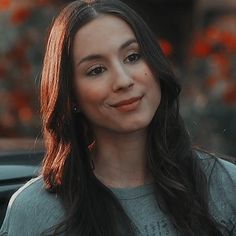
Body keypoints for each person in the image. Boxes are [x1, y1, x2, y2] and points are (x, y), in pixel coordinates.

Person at [1, 0, 235, 235]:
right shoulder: (35, 212)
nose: (123, 81)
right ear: (71, 96)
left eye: (133, 57)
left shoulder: (225, 186)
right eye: (96, 70)